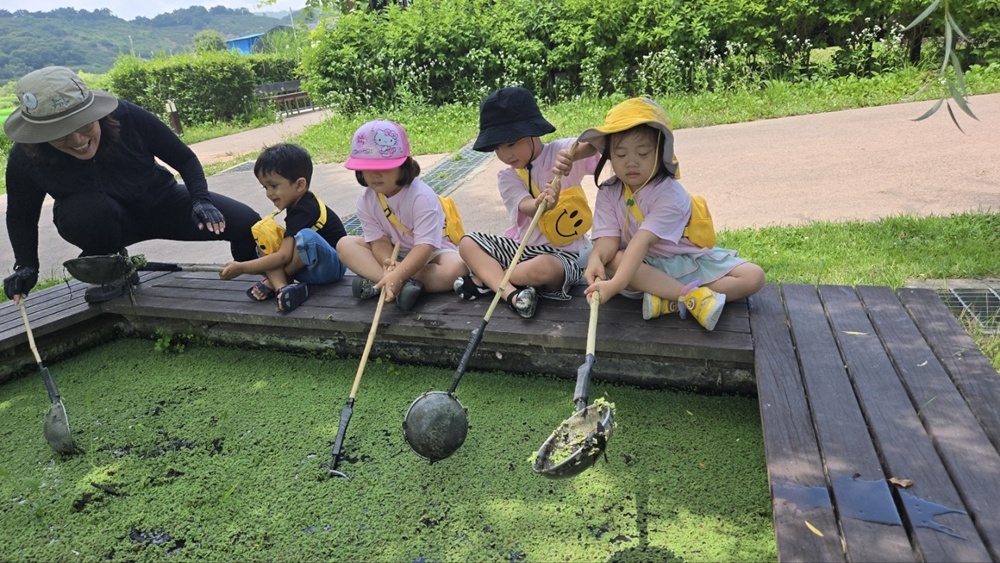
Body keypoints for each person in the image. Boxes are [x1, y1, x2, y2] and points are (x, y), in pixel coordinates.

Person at [2, 66, 262, 305]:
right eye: (60, 135)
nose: (77, 140)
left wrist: (200, 200)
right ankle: (113, 269)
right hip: (100, 221)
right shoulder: (25, 157)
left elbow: (184, 158)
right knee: (86, 210)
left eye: (85, 126)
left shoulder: (126, 115)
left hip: (161, 201)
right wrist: (26, 266)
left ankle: (260, 276)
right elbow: (21, 216)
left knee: (248, 223)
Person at [557, 96, 765, 330]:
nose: (631, 163)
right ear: (609, 157)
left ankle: (674, 299)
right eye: (621, 154)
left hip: (680, 260)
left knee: (753, 276)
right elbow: (608, 240)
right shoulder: (609, 191)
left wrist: (614, 286)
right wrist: (596, 259)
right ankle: (692, 299)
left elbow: (642, 241)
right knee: (612, 259)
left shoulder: (671, 195)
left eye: (643, 153)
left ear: (660, 152)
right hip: (640, 268)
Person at [456, 87, 595, 319]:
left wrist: (574, 156)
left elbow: (603, 143)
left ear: (533, 132)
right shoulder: (508, 176)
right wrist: (542, 203)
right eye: (497, 148)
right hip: (521, 250)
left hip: (563, 255)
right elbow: (526, 206)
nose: (505, 154)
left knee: (543, 268)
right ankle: (513, 294)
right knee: (467, 243)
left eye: (510, 144)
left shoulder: (561, 151)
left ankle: (488, 280)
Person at [336, 119, 467, 311]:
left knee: (457, 267)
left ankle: (381, 283)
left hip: (429, 254)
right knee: (345, 245)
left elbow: (425, 246)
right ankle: (398, 285)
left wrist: (399, 273)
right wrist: (388, 264)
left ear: (403, 165)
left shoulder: (421, 196)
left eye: (383, 167)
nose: (375, 174)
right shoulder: (366, 200)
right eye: (368, 168)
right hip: (392, 255)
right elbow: (378, 241)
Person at [219, 143, 347, 313]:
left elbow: (284, 257)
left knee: (306, 237)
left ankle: (276, 281)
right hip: (307, 270)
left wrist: (242, 267)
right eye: (265, 187)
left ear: (299, 185)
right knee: (266, 235)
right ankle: (283, 289)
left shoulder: (306, 208)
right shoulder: (294, 205)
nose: (269, 193)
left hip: (331, 267)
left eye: (274, 186)